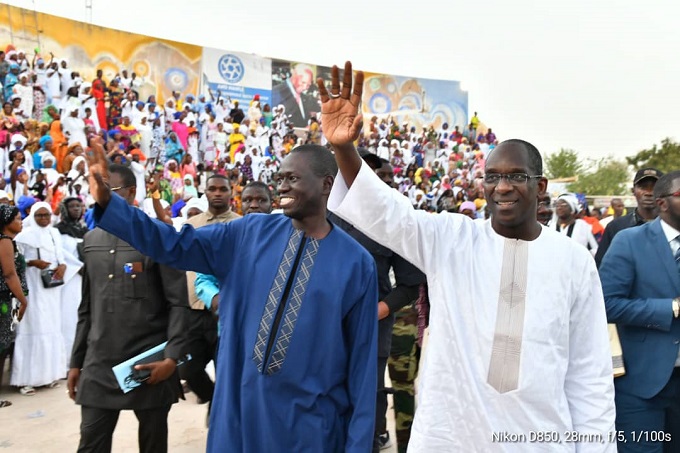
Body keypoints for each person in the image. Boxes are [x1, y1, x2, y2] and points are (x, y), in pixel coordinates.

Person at [320, 61, 615, 451]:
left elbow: (589, 373)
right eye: (492, 177)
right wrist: (344, 148)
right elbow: (387, 213)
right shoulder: (452, 239)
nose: (502, 187)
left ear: (541, 186)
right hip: (451, 435)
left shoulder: (574, 261)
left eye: (515, 176)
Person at [84, 141, 378, 452]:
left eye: (292, 178)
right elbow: (172, 244)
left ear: (326, 184)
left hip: (311, 427)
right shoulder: (248, 233)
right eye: (279, 179)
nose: (281, 187)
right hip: (240, 414)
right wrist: (110, 204)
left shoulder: (356, 264)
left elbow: (361, 367)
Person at [67, 163, 189, 453]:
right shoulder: (90, 240)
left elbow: (178, 303)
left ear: (132, 193)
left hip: (149, 364)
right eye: (96, 190)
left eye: (108, 190)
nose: (100, 197)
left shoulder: (157, 235)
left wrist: (171, 359)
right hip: (99, 365)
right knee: (91, 444)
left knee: (152, 444)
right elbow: (87, 309)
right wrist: (75, 362)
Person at [599, 170, 680, 452]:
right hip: (642, 385)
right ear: (662, 203)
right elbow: (606, 304)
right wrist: (669, 308)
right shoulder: (628, 241)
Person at [180, 174, 240, 412]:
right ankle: (214, 399)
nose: (217, 193)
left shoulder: (241, 224)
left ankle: (221, 414)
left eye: (222, 189)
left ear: (230, 193)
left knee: (224, 366)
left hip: (226, 310)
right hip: (193, 309)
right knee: (186, 367)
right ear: (205, 193)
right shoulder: (192, 225)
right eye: (212, 189)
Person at [12, 202, 67, 395]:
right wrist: (32, 262)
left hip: (51, 288)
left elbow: (61, 257)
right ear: (33, 216)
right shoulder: (24, 236)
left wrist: (62, 266)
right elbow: (14, 261)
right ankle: (27, 380)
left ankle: (51, 375)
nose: (44, 219)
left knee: (52, 326)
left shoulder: (54, 234)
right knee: (34, 327)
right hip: (32, 287)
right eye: (40, 216)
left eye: (47, 215)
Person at [595, 167, 663, 267]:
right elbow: (601, 265)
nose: (649, 192)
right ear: (633, 191)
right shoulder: (616, 227)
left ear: (664, 191)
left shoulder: (673, 226)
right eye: (643, 187)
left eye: (655, 187)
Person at [0, 204, 29, 408]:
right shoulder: (5, 242)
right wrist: (23, 300)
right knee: (2, 346)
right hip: (4, 301)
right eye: (18, 218)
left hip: (6, 300)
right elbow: (9, 275)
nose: (21, 221)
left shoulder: (9, 241)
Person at [272, 63, 320, 127]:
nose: (305, 87)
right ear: (295, 76)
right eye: (303, 82)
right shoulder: (277, 92)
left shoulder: (304, 97)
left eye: (308, 85)